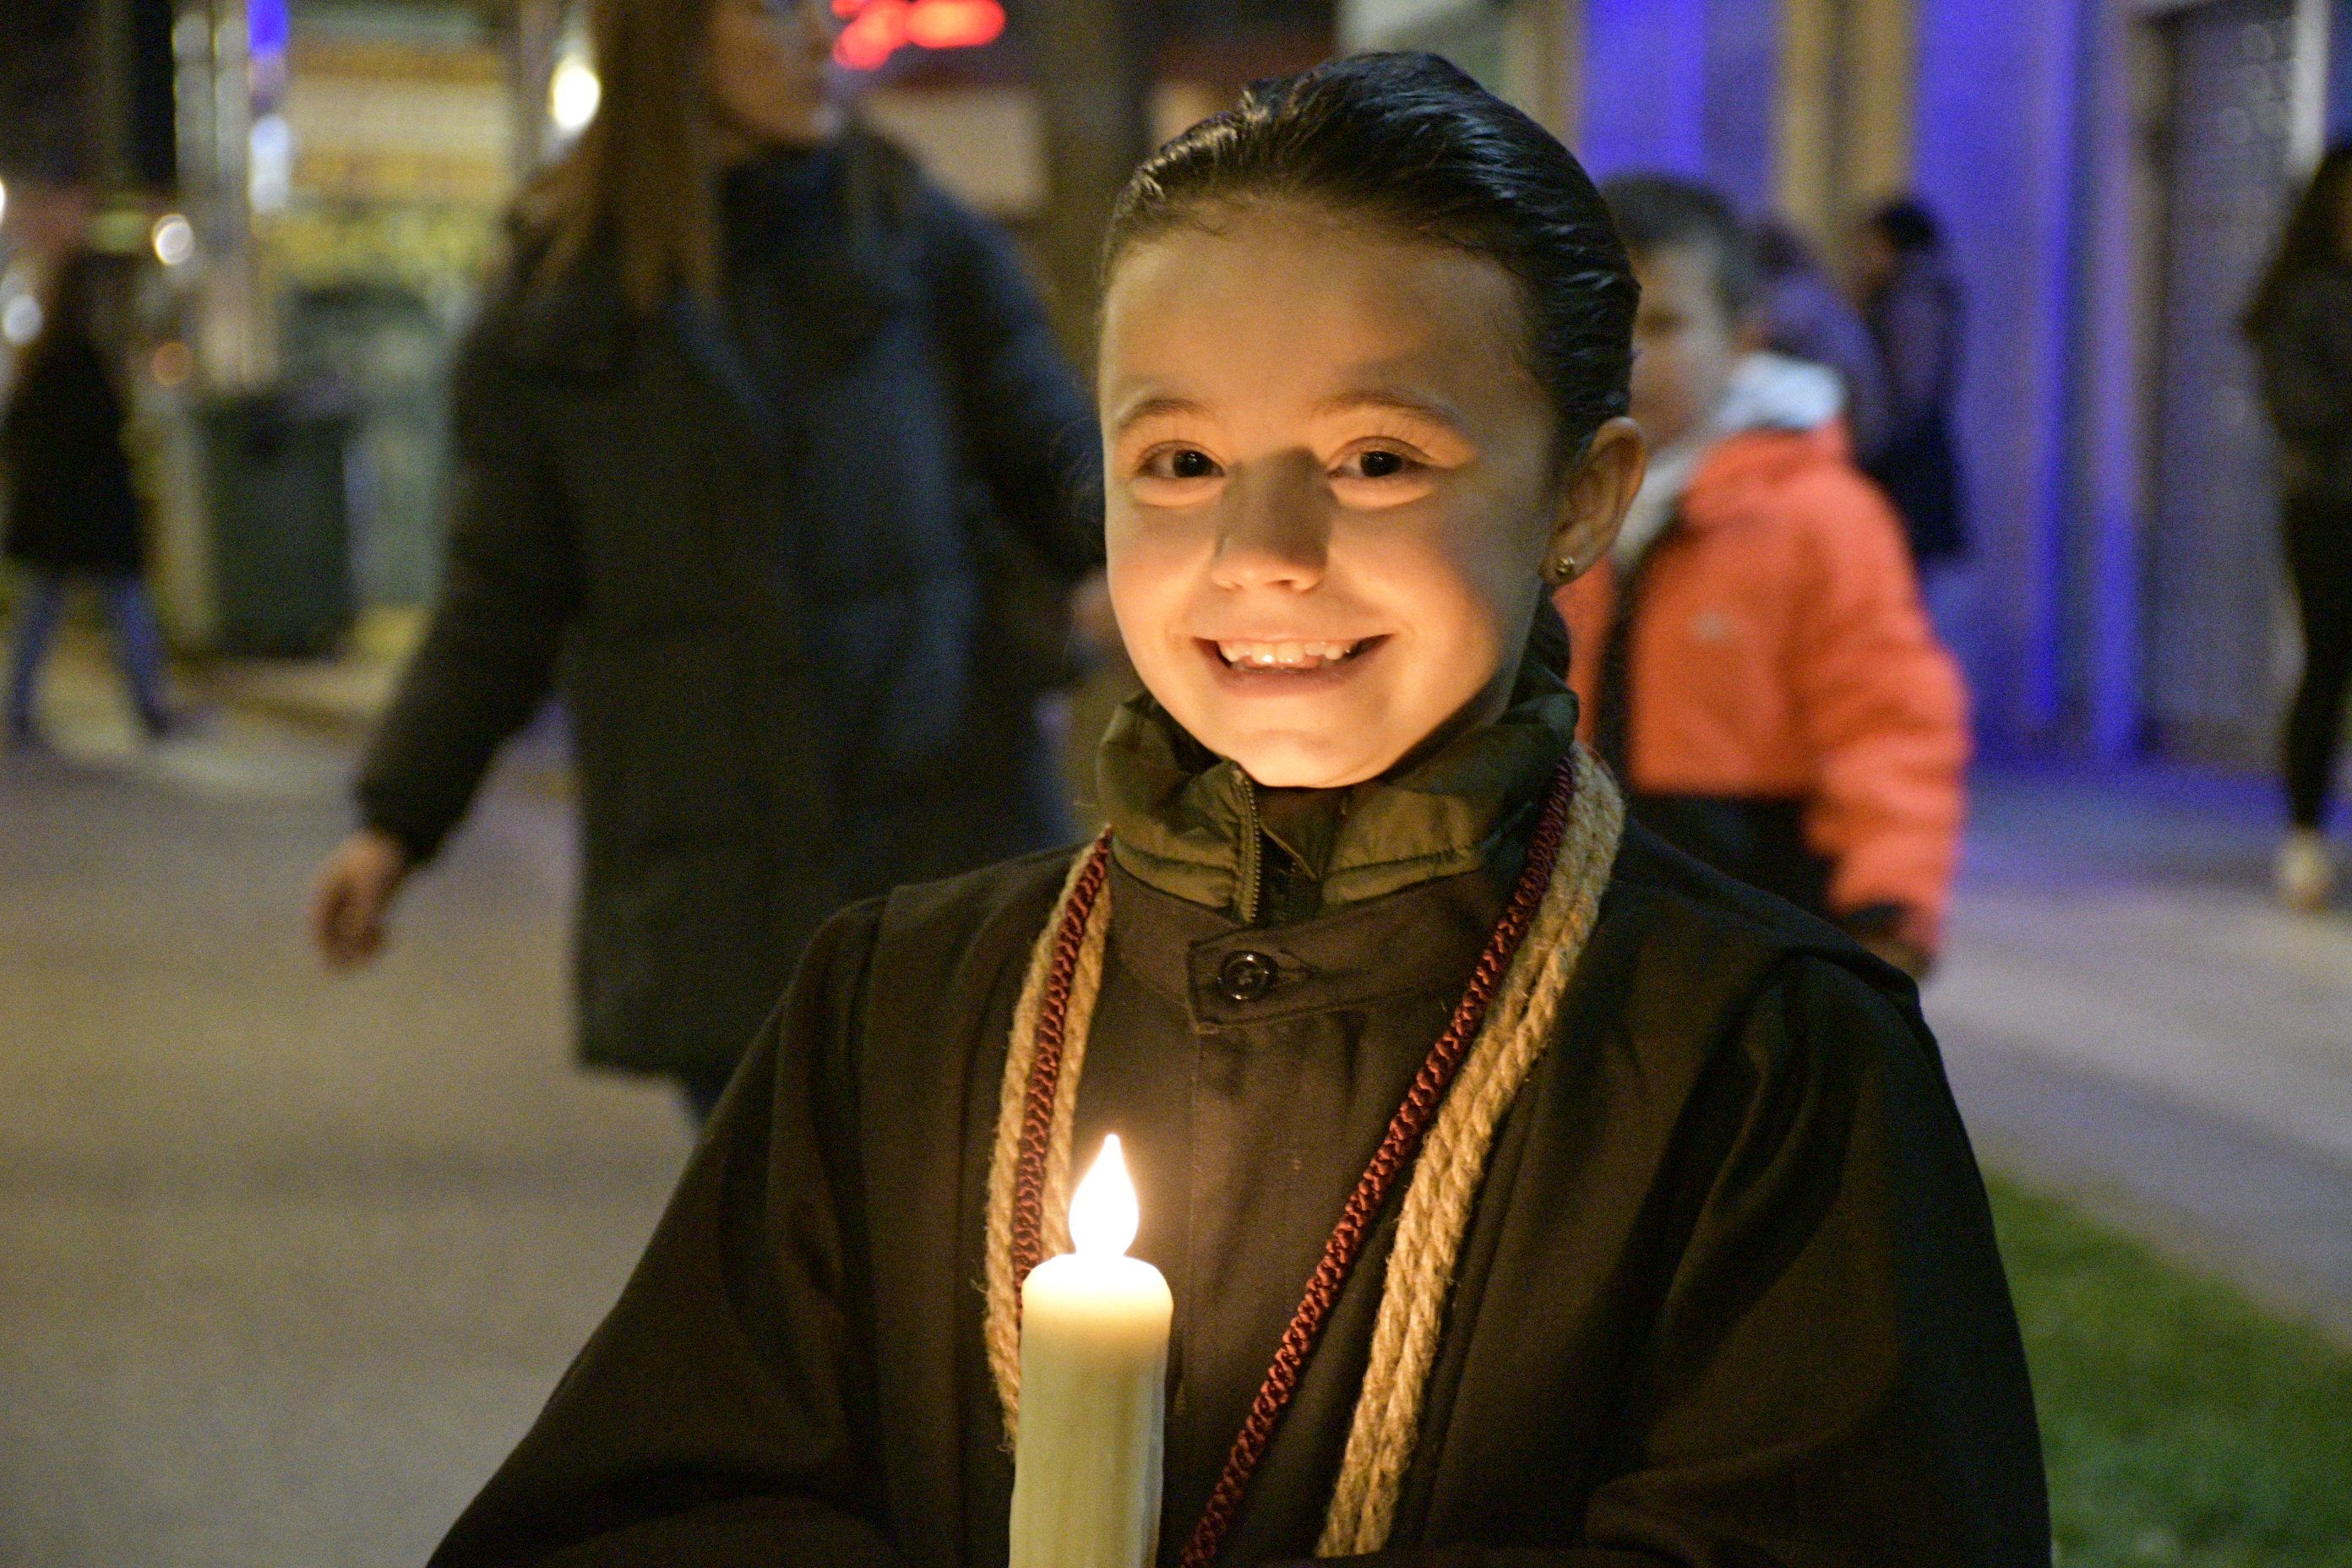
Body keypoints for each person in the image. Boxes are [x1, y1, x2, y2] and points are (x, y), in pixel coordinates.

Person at [426, 55, 2047, 1566]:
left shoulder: (1760, 1064)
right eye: (1181, 462)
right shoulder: (895, 1010)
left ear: (1577, 497)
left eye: (1376, 459)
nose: (1262, 548)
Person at [306, 0, 1100, 1120]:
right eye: (775, 8)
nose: (821, 37)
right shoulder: (554, 307)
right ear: (671, 34)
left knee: (967, 1254)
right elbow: (499, 603)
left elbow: (1066, 470)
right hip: (718, 896)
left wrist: (1126, 592)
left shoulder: (914, 235)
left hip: (946, 847)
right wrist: (396, 824)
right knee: (788, 1274)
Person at [1557, 176, 1968, 978]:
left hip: (1759, 914)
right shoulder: (1538, 504)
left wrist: (1889, 900)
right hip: (1570, 916)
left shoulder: (1820, 515)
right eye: (1602, 323)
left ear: (1743, 336)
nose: (1631, 355)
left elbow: (1889, 718)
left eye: (1666, 324)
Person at [3, 247, 175, 749]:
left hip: (58, 514)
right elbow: (92, 437)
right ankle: (149, 708)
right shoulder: (79, 358)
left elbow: (16, 432)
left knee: (50, 611)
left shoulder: (49, 355)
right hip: (85, 512)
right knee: (120, 604)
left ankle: (21, 713)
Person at [2246, 142, 2352, 912]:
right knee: (2329, 664)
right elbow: (2302, 413)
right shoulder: (2301, 296)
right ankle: (2305, 833)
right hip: (2328, 508)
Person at [1854, 198, 1968, 605]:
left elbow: (1910, 393)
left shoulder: (1913, 300)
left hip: (1909, 473)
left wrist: (1874, 442)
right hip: (1911, 466)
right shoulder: (1912, 296)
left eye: (1870, 245)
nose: (1862, 257)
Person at [1752, 218, 1892, 462]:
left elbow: (1756, 340)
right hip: (1859, 428)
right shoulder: (1819, 295)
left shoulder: (1793, 299)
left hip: (1844, 435)